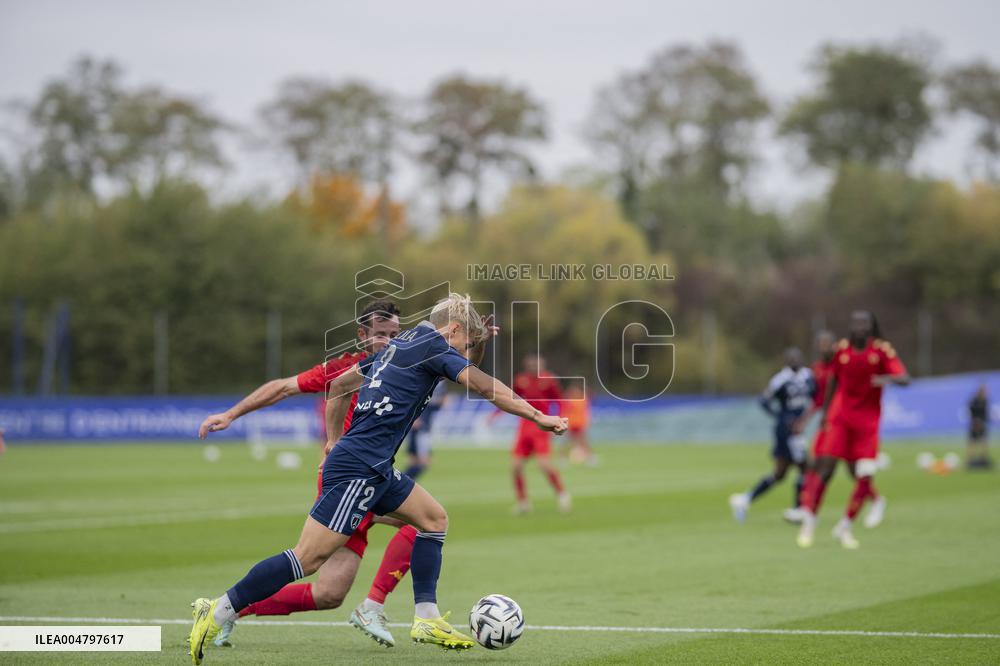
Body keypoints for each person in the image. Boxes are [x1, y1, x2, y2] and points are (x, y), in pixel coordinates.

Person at [188, 294, 568, 663]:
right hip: (359, 468)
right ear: (452, 329)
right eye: (465, 341)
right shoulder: (432, 349)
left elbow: (340, 387)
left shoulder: (401, 346)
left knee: (433, 520)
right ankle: (220, 609)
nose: (463, 351)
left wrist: (332, 441)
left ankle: (426, 617)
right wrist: (539, 416)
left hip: (374, 466)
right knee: (307, 559)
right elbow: (484, 385)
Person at [197, 300, 420, 649]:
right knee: (425, 522)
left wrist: (475, 340)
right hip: (348, 479)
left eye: (394, 334)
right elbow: (282, 387)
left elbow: (457, 365)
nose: (388, 341)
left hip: (372, 476)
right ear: (362, 335)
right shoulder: (344, 369)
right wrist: (230, 414)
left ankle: (229, 609)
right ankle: (373, 606)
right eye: (380, 334)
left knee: (329, 593)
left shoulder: (403, 365)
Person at [797, 310, 910, 550]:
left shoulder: (881, 351)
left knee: (864, 475)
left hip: (867, 423)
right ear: (851, 326)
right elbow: (833, 381)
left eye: (864, 323)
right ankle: (810, 521)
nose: (860, 328)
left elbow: (904, 378)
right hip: (841, 418)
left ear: (871, 326)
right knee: (826, 469)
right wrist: (826, 413)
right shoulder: (843, 350)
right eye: (856, 323)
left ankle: (845, 526)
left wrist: (885, 379)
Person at [729, 348, 813, 523]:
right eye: (791, 359)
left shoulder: (808, 376)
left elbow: (815, 396)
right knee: (804, 467)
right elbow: (764, 400)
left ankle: (745, 499)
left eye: (797, 358)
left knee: (780, 473)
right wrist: (780, 417)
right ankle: (798, 509)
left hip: (798, 429)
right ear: (786, 361)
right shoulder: (780, 379)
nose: (795, 361)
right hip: (786, 431)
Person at [504, 354, 570, 514]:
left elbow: (560, 400)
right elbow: (509, 398)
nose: (534, 367)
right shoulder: (521, 380)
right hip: (525, 425)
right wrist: (495, 415)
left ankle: (562, 494)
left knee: (544, 464)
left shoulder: (549, 380)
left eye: (537, 364)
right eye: (531, 365)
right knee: (516, 466)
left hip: (541, 426)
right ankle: (523, 502)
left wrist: (559, 420)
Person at [784, 330, 837, 524]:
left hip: (841, 421)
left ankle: (875, 500)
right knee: (815, 466)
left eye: (826, 344)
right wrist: (804, 420)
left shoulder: (842, 365)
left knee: (851, 469)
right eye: (820, 344)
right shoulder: (816, 369)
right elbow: (817, 400)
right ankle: (806, 509)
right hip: (826, 422)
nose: (823, 348)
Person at [403, 380, 448, 480]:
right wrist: (413, 418)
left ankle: (403, 483)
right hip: (418, 429)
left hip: (424, 427)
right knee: (422, 461)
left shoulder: (439, 385)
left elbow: (442, 401)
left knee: (418, 461)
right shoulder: (422, 382)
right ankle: (402, 484)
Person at [561, 384, 596, 465]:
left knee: (583, 441)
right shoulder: (569, 401)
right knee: (567, 442)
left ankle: (590, 457)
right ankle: (562, 457)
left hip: (580, 424)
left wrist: (587, 422)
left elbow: (586, 412)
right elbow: (564, 412)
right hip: (571, 423)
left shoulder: (583, 400)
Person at [968, 384, 993, 469]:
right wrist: (975, 421)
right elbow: (971, 411)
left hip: (982, 424)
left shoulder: (985, 401)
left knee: (983, 440)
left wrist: (983, 421)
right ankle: (971, 459)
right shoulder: (974, 400)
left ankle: (983, 458)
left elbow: (985, 413)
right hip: (974, 424)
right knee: (973, 441)